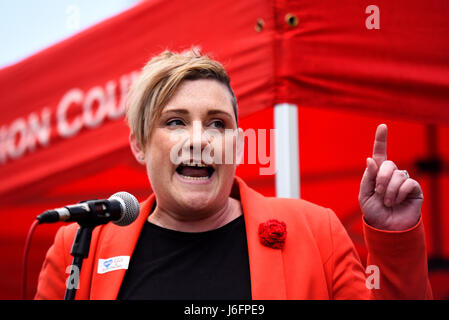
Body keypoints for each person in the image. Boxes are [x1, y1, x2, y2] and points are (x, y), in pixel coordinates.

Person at [35, 49, 432, 300]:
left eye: (217, 124)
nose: (198, 140)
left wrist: (393, 241)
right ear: (138, 144)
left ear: (237, 145)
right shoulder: (81, 245)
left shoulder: (315, 231)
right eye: (174, 121)